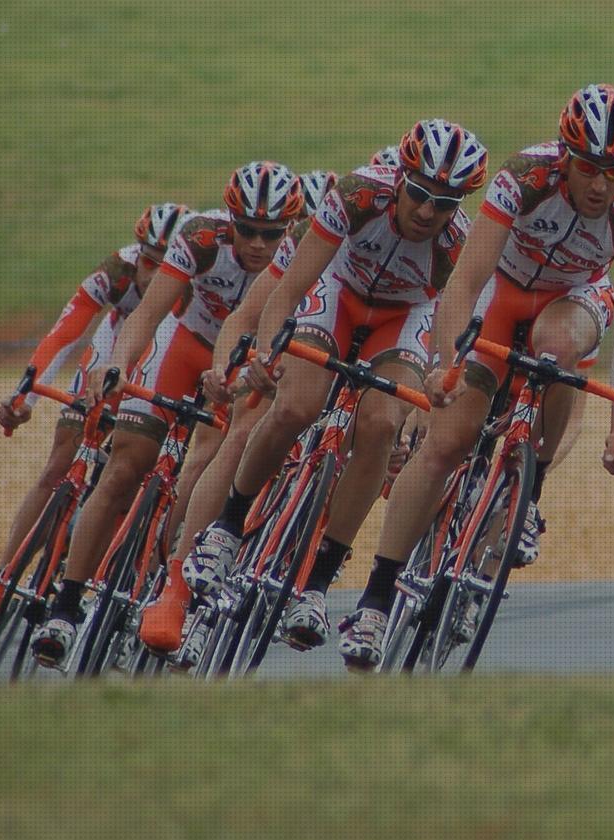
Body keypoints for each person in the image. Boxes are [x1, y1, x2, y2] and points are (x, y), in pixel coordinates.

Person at [365, 85, 614, 667]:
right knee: (445, 443)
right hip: (501, 291)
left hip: (572, 299)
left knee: (554, 347)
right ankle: (376, 599)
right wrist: (447, 364)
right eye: (588, 167)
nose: (602, 184)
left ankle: (530, 487)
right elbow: (465, 282)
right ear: (565, 157)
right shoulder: (525, 176)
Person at [179, 120, 487, 668]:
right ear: (400, 180)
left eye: (443, 203)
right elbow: (292, 286)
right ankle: (228, 525)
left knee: (380, 426)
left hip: (403, 315)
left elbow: (445, 322)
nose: (426, 211)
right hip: (337, 295)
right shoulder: (356, 196)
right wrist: (269, 353)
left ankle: (319, 582)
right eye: (419, 194)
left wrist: (441, 379)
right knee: (298, 403)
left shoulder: (457, 240)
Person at [28, 162, 304, 667]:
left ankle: (172, 574)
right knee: (125, 465)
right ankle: (66, 604)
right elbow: (146, 316)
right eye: (247, 229)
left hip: (250, 363)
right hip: (184, 348)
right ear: (230, 221)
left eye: (272, 233)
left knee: (216, 455)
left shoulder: (303, 256)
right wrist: (115, 363)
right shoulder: (200, 239)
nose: (258, 244)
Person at [0, 202, 190, 656]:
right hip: (114, 354)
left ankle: (122, 586)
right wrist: (27, 396)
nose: (155, 274)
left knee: (142, 469)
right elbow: (67, 330)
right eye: (150, 261)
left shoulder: (198, 285)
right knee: (61, 460)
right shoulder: (118, 270)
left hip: (169, 360)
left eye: (166, 264)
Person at [136, 170, 340, 655]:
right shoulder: (288, 252)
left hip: (317, 350)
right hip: (262, 347)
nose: (261, 242)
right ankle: (175, 579)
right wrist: (232, 373)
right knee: (229, 434)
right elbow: (245, 320)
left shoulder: (353, 257)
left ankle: (301, 573)